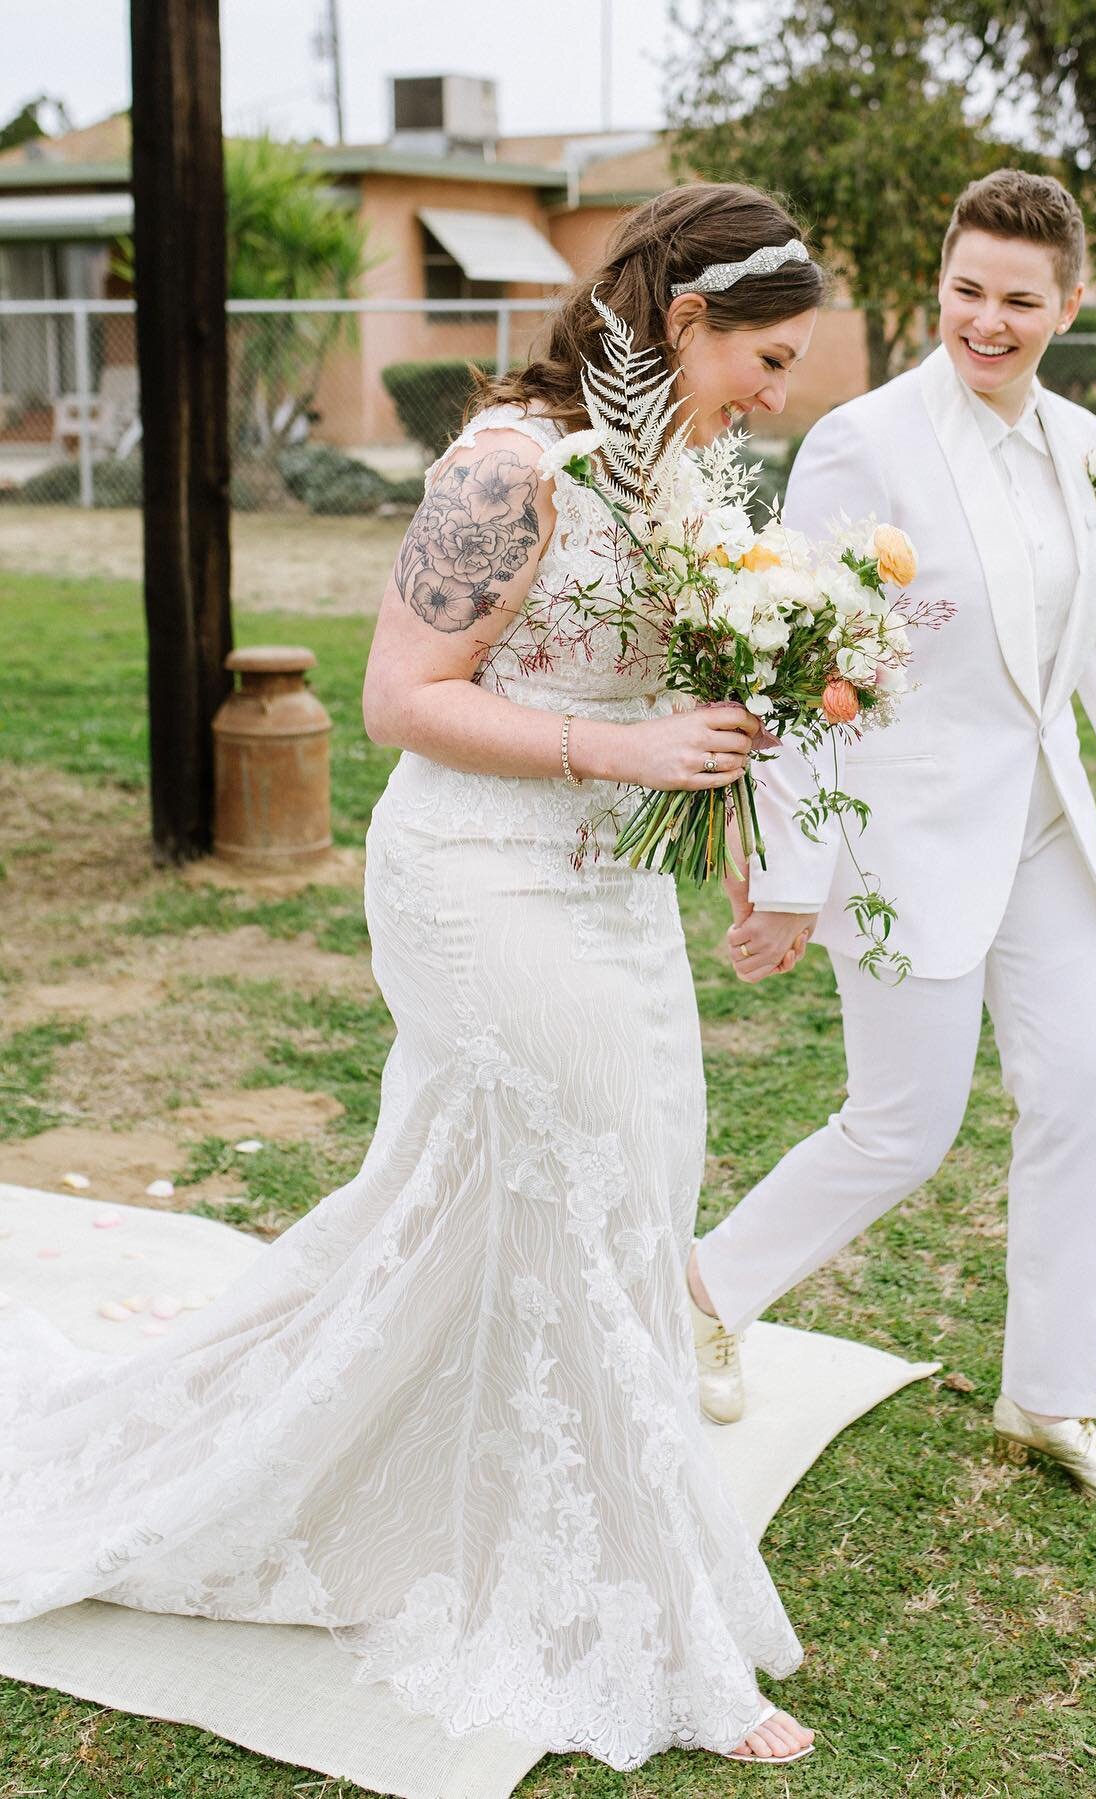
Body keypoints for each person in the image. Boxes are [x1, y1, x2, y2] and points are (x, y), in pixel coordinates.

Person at [0, 183, 822, 1770]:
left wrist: (735, 799)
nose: (776, 398)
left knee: (613, 1198)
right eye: (766, 360)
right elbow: (397, 696)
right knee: (587, 1203)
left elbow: (683, 684)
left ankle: (400, 1478)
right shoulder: (508, 469)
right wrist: (626, 746)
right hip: (477, 888)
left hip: (611, 894)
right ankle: (625, 1620)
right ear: (685, 320)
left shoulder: (682, 473)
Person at [688, 170, 1096, 1518]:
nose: (988, 323)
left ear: (1072, 304)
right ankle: (702, 1291)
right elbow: (800, 670)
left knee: (1080, 1095)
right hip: (903, 831)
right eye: (966, 292)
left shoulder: (1084, 444)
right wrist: (794, 877)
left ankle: (1050, 1398)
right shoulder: (862, 444)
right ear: (939, 285)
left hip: (1046, 829)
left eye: (1019, 301)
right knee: (903, 1127)